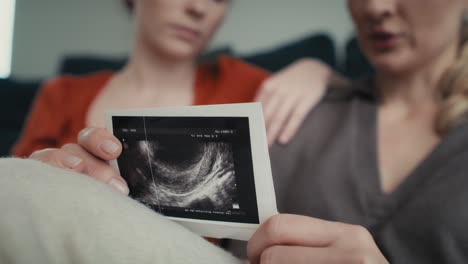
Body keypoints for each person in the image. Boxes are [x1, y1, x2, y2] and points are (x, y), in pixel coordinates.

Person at [11, 0, 335, 169]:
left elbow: (355, 96)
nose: (199, 8)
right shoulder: (61, 93)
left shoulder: (243, 85)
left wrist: (319, 70)